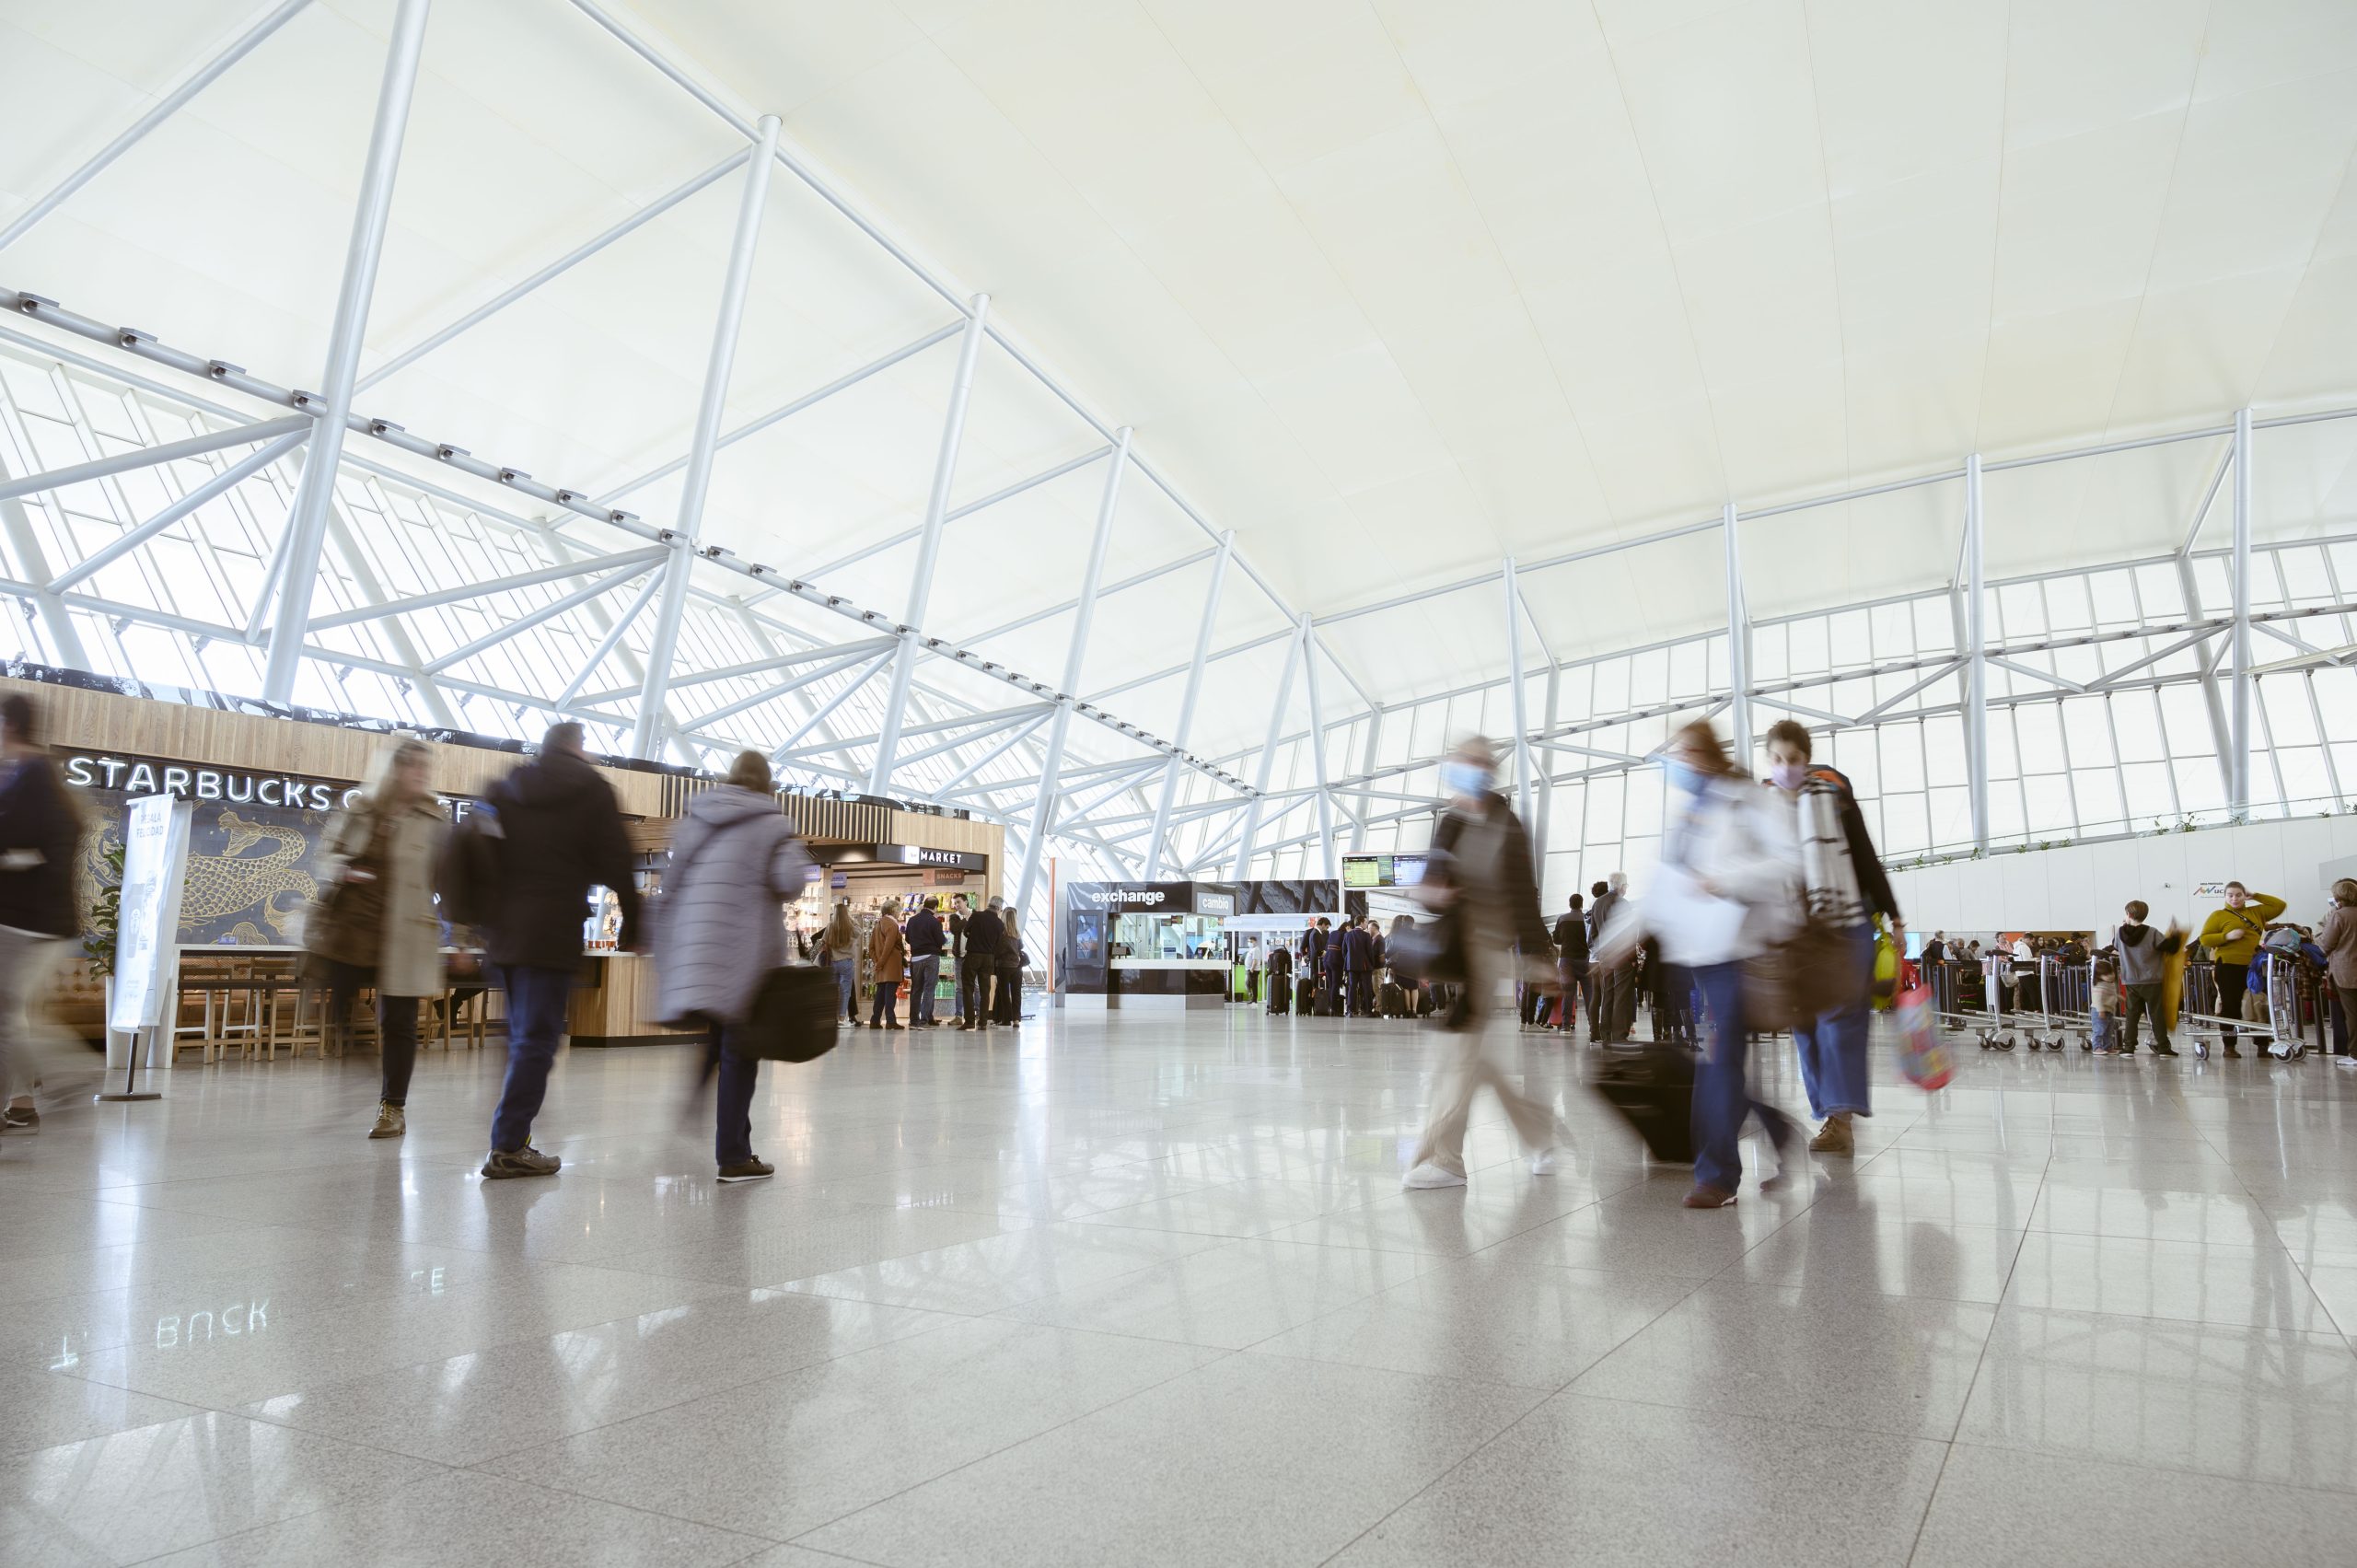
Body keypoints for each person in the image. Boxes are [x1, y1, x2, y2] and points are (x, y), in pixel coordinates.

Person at [1615, 719, 1801, 1209]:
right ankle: (1777, 1129)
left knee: (1719, 1064)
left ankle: (1716, 1177)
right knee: (1724, 1062)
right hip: (1700, 952)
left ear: (1707, 755)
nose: (1680, 764)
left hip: (1742, 951)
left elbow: (1788, 861)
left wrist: (1726, 879)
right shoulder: (1686, 816)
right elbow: (1660, 889)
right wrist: (1618, 941)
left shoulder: (1747, 800)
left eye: (1687, 753)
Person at [472, 722, 639, 1179]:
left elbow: (476, 854)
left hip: (504, 933)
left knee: (517, 1037)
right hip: (550, 932)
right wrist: (635, 923)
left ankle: (510, 1135)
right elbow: (617, 861)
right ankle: (508, 1143)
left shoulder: (506, 787)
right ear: (576, 746)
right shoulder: (592, 789)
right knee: (537, 1042)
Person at [1402, 738, 1562, 1190]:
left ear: (1489, 769)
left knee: (1457, 1055)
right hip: (1455, 948)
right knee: (1476, 1063)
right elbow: (1434, 885)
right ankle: (1539, 1138)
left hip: (1488, 950)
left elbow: (1522, 894)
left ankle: (1445, 1160)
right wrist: (1432, 894)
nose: (1466, 770)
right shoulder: (1449, 822)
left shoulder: (1507, 825)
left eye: (1475, 762)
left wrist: (1540, 958)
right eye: (1460, 762)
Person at [654, 751, 810, 1181]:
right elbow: (790, 883)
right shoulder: (772, 824)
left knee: (721, 1036)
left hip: (697, 947)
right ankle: (734, 1155)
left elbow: (672, 884)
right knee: (741, 1050)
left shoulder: (696, 818)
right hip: (744, 952)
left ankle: (698, 1104)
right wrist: (792, 850)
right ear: (767, 784)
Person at [1763, 720, 1901, 1158]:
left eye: (1795, 760)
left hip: (1846, 922)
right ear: (1770, 761)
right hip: (1794, 933)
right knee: (1804, 1024)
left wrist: (1893, 915)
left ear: (1807, 759)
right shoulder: (1761, 807)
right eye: (1779, 760)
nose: (1787, 768)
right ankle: (1829, 1112)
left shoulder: (1833, 793)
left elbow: (1863, 852)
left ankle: (1840, 1120)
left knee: (1841, 1021)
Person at [315, 737, 447, 1141]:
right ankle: (361, 1063)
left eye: (426, 769)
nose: (421, 776)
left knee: (399, 1022)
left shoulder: (434, 819)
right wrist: (343, 869)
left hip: (405, 932)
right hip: (354, 927)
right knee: (338, 1002)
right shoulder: (361, 810)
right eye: (413, 767)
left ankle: (392, 1107)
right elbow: (326, 854)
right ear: (394, 769)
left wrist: (458, 935)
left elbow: (450, 877)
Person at [0, 693, 83, 1133]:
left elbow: (32, 841)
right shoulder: (29, 773)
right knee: (11, 1014)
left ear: (8, 724)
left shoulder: (32, 773)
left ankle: (69, 1072)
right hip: (30, 919)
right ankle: (22, 1101)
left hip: (27, 920)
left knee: (9, 1015)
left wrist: (12, 857)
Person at [2197, 881, 2286, 1058]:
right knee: (2231, 1006)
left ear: (2245, 896)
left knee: (2260, 1004)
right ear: (2225, 896)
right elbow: (2205, 939)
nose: (2234, 898)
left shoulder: (2256, 912)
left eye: (2238, 894)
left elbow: (2280, 905)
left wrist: (2256, 896)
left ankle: (2262, 1044)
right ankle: (2229, 1046)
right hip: (2228, 966)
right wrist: (2226, 936)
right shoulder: (2218, 915)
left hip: (2253, 965)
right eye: (2230, 895)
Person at [2114, 900, 2181, 1057]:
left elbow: (2115, 946)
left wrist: (2124, 925)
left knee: (2132, 1015)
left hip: (2130, 980)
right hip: (2152, 980)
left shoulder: (2120, 933)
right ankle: (2163, 1047)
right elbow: (2170, 948)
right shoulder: (2152, 932)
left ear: (2128, 915)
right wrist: (2176, 935)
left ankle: (2128, 1047)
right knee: (2156, 1013)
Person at [2319, 880, 2357, 1066]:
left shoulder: (2339, 916)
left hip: (2347, 972)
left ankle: (2355, 1054)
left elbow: (2326, 945)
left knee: (2352, 1015)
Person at [961, 894, 1003, 1028]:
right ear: (999, 908)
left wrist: (974, 937)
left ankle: (969, 1022)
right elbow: (998, 944)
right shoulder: (999, 924)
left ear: (989, 904)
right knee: (985, 990)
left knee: (968, 987)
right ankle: (983, 1022)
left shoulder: (977, 916)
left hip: (973, 955)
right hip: (988, 958)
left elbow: (965, 931)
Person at [905, 896, 946, 1028]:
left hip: (915, 958)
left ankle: (913, 1021)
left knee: (916, 989)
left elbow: (908, 939)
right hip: (931, 957)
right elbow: (941, 940)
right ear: (935, 907)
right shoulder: (934, 922)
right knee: (929, 989)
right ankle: (924, 1021)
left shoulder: (912, 920)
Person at [1551, 893, 1589, 1034]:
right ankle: (1593, 1026)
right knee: (1589, 994)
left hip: (1567, 961)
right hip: (1584, 960)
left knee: (1568, 993)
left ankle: (1566, 1026)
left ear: (1569, 904)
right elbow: (1591, 938)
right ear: (1581, 904)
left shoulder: (1562, 919)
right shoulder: (1586, 920)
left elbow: (1557, 940)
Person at [867, 898, 908, 1029]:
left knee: (880, 995)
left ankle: (875, 1020)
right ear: (894, 910)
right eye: (899, 910)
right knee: (890, 995)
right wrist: (881, 963)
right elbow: (889, 947)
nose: (899, 913)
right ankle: (890, 1021)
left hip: (881, 967)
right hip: (891, 965)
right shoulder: (892, 925)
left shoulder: (878, 925)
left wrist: (877, 962)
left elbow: (871, 948)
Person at [819, 899, 857, 1025]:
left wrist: (810, 955)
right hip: (847, 962)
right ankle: (841, 1017)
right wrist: (851, 920)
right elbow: (860, 932)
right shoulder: (851, 927)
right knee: (845, 990)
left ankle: (832, 1017)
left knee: (833, 990)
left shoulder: (830, 926)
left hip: (833, 962)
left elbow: (823, 942)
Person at [993, 897, 1023, 1025]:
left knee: (1004, 993)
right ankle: (1016, 1019)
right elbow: (1021, 947)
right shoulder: (1017, 934)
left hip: (1003, 967)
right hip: (1017, 967)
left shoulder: (1000, 933)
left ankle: (1006, 1020)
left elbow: (996, 951)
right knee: (1017, 994)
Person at [1342, 915, 1376, 1016]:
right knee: (1367, 988)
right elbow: (1370, 952)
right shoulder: (1366, 935)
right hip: (1364, 966)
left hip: (1351, 966)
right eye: (1366, 922)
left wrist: (1348, 961)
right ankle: (1368, 1011)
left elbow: (1344, 951)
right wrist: (1372, 964)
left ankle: (1350, 1011)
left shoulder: (1347, 935)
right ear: (1361, 923)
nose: (1366, 924)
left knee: (1352, 988)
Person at [946, 891, 970, 1023]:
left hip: (972, 957)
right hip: (959, 957)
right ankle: (959, 1016)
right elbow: (954, 930)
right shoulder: (954, 917)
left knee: (975, 986)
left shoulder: (976, 914)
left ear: (966, 902)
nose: (956, 905)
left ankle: (976, 1013)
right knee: (959, 987)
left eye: (959, 902)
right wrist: (966, 919)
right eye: (955, 903)